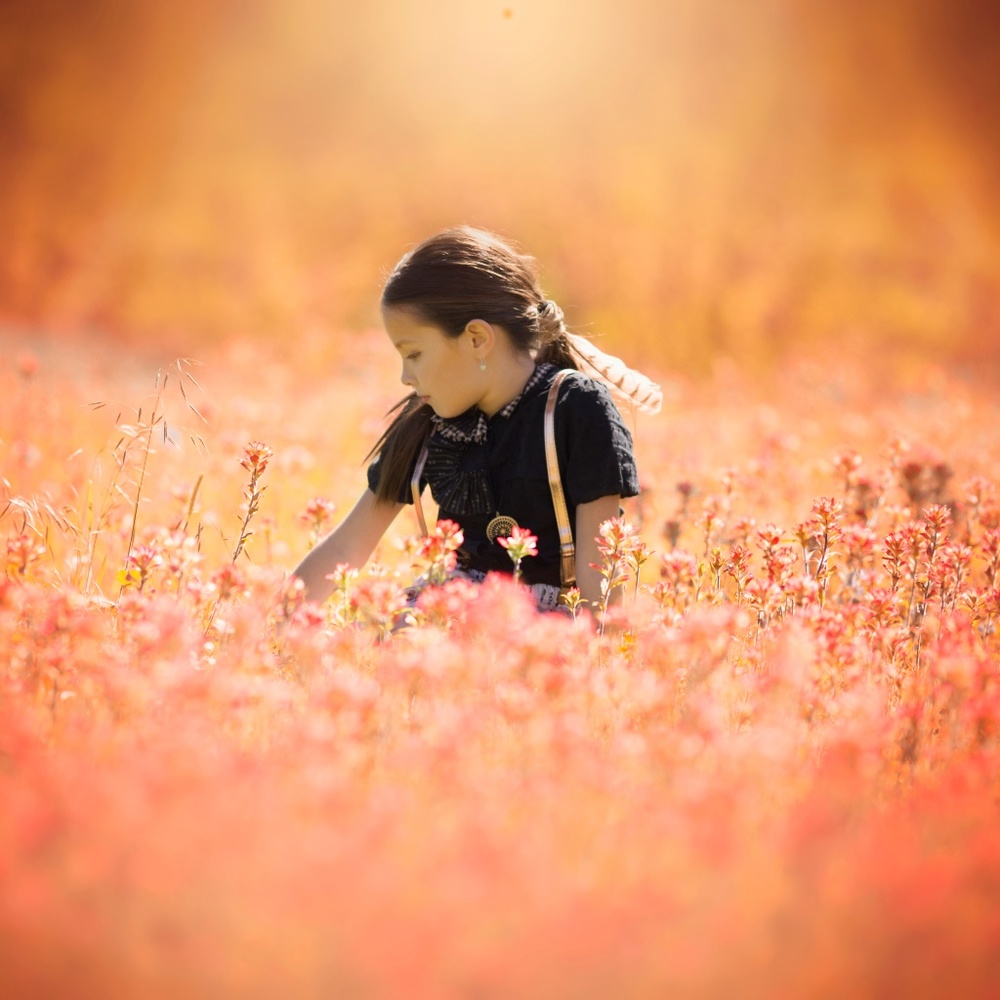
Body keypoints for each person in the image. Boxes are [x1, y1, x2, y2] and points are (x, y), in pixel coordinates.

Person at [293, 226, 659, 613]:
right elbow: (347, 545)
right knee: (399, 634)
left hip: (547, 628)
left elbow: (601, 598)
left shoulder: (574, 408)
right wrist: (275, 630)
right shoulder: (429, 420)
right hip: (452, 611)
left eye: (414, 355)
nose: (405, 377)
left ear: (477, 339)